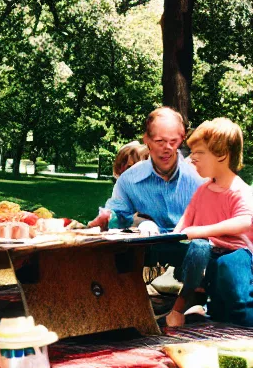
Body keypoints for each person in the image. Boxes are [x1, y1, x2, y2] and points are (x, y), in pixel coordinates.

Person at [88, 107, 205, 275]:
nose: (168, 148)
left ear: (182, 139)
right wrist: (108, 218)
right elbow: (118, 217)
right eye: (160, 141)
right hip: (144, 253)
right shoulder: (128, 180)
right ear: (147, 140)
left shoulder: (199, 178)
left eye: (173, 141)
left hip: (190, 257)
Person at [166, 118, 253, 327]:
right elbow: (188, 216)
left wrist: (201, 230)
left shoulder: (238, 190)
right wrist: (173, 236)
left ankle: (247, 330)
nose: (192, 158)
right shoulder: (203, 190)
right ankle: (197, 309)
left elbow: (244, 222)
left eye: (199, 153)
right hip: (210, 253)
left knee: (237, 295)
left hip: (237, 253)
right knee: (200, 255)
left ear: (222, 155)